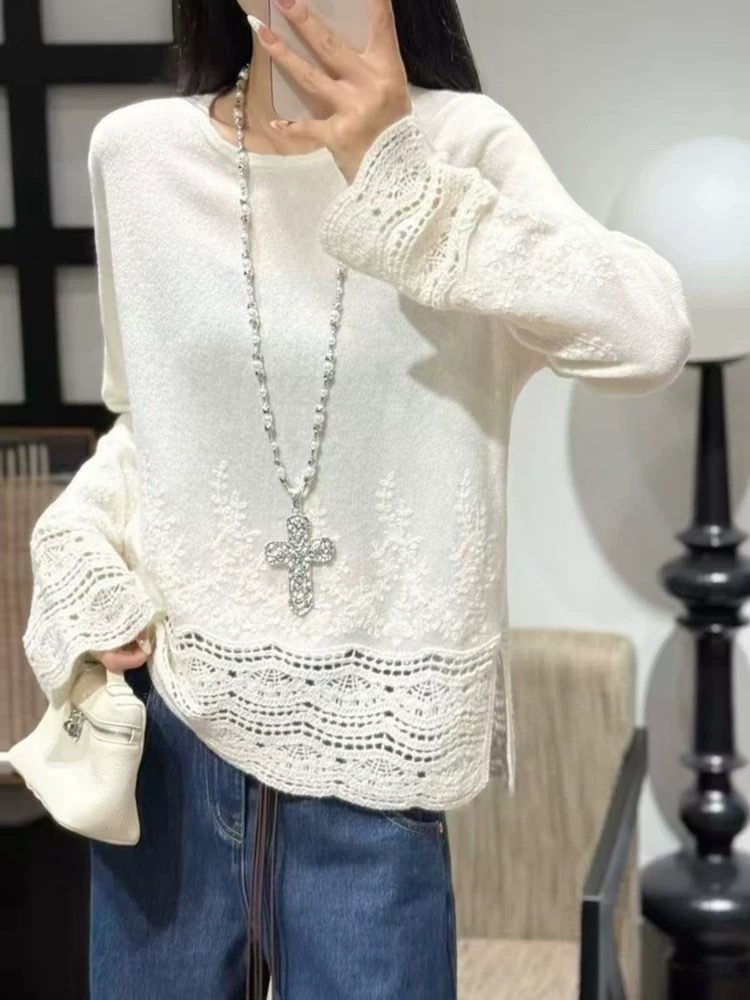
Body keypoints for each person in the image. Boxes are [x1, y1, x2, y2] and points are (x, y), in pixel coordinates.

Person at [20, 0, 692, 997]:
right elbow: (147, 426)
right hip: (173, 739)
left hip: (376, 771)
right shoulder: (138, 155)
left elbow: (649, 334)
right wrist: (75, 541)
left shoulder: (462, 145)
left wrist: (398, 175)